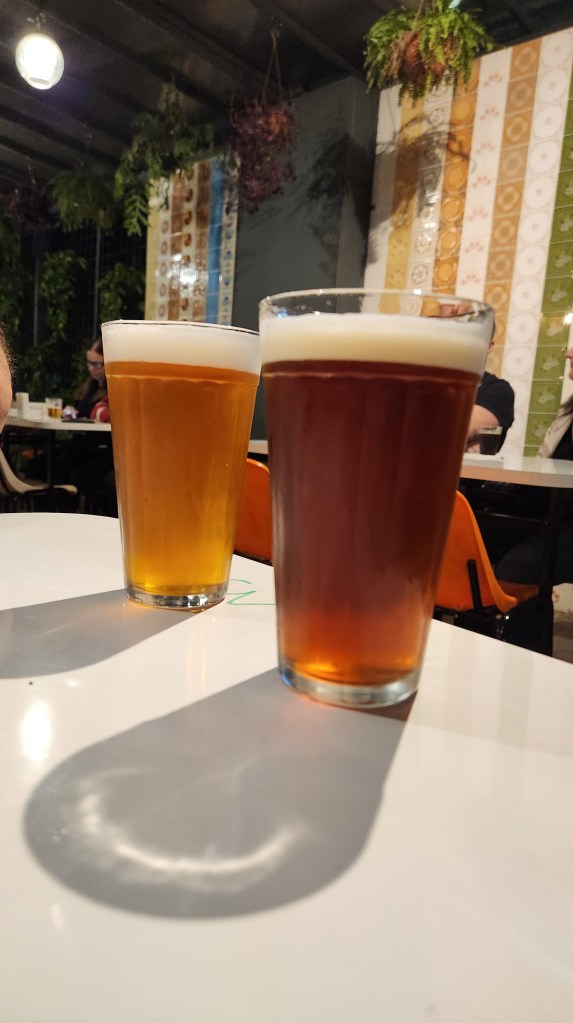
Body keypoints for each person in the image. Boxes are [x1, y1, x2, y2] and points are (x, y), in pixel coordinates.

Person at [494, 348, 573, 585]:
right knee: (475, 543)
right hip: (549, 510)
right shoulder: (569, 409)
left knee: (514, 569)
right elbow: (544, 465)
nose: (568, 353)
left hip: (564, 518)